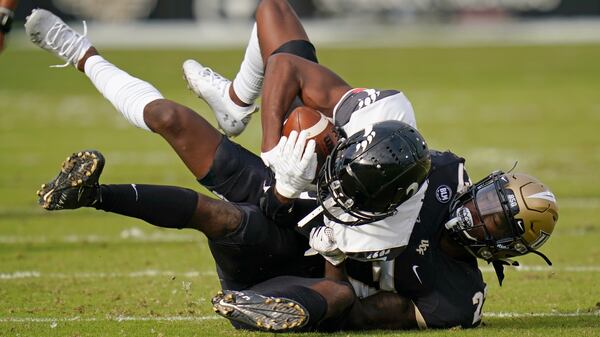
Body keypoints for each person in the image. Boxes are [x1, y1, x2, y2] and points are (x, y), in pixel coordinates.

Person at [24, 2, 431, 268]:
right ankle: (234, 102)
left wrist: (286, 191)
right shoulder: (383, 110)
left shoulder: (385, 226)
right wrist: (272, 147)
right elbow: (287, 65)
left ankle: (81, 54)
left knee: (170, 118)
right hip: (296, 161)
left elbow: (298, 231)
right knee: (273, 10)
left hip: (296, 214)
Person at [36, 148, 559, 331]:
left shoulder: (457, 299)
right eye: (487, 200)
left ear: (506, 247)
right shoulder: (441, 175)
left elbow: (362, 314)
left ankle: (259, 308)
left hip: (321, 287)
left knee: (341, 296)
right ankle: (93, 195)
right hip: (304, 234)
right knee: (224, 218)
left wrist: (339, 256)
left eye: (494, 221)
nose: (478, 213)